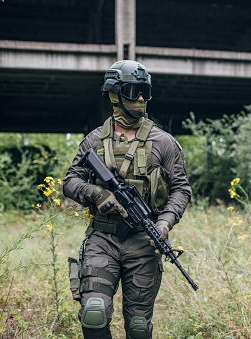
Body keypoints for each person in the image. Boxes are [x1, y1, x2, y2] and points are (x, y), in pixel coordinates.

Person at [62, 60, 192, 339]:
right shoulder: (94, 140)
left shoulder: (164, 142)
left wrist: (165, 224)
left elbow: (182, 189)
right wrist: (97, 194)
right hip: (102, 238)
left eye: (145, 91)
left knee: (139, 328)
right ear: (115, 94)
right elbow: (70, 182)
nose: (142, 98)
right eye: (135, 91)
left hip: (144, 243)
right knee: (94, 314)